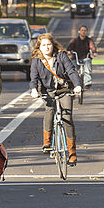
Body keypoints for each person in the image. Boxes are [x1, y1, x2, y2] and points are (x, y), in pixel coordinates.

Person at [29, 33, 82, 165]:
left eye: (49, 45)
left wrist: (77, 85)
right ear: (39, 47)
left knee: (67, 118)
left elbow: (71, 71)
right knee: (49, 111)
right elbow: (33, 78)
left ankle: (72, 153)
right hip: (49, 91)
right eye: (44, 45)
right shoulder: (36, 60)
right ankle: (47, 142)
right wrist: (34, 90)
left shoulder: (61, 56)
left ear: (53, 45)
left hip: (64, 90)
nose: (47, 48)